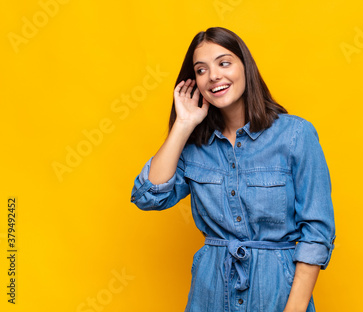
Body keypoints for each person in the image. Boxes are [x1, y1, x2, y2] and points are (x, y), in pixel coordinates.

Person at [130, 27, 336, 312]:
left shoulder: (295, 135)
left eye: (224, 63)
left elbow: (317, 232)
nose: (213, 75)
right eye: (201, 70)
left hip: (276, 294)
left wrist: (295, 308)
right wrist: (183, 124)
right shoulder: (194, 146)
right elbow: (149, 196)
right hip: (210, 294)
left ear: (245, 68)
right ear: (194, 82)